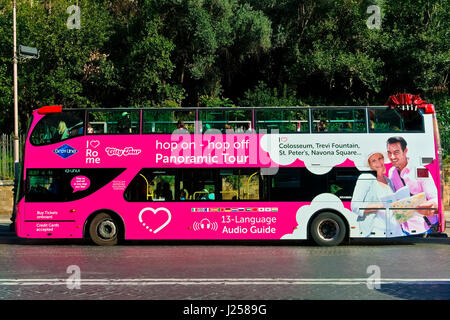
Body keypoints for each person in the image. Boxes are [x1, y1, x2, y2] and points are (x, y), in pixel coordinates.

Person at [386, 136, 439, 234]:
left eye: (396, 152)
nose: (392, 157)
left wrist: (430, 205)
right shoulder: (392, 172)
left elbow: (435, 198)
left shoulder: (420, 170)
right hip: (404, 228)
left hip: (425, 228)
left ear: (405, 151)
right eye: (389, 153)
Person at [351, 151, 404, 237]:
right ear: (370, 165)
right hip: (375, 231)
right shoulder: (366, 178)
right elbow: (355, 206)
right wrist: (380, 206)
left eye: (380, 158)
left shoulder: (389, 180)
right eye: (374, 161)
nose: (378, 162)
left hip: (395, 231)